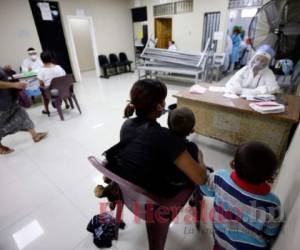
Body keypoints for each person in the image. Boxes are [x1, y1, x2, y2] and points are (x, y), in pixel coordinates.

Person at [103, 79, 207, 198]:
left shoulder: (127, 125)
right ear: (159, 106)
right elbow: (200, 179)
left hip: (131, 192)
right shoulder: (166, 137)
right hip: (157, 199)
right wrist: (200, 156)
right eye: (163, 100)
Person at [199, 142, 282, 250]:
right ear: (270, 176)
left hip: (221, 240)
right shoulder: (273, 203)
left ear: (232, 163)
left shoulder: (219, 178)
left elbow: (203, 189)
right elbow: (270, 233)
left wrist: (200, 163)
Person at [0, 67, 47, 154]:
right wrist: (13, 85)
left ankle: (35, 135)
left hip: (9, 99)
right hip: (2, 104)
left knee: (21, 113)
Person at [37, 51, 67, 115]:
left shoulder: (41, 71)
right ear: (51, 58)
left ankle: (47, 110)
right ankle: (66, 103)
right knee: (61, 85)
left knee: (43, 90)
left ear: (42, 60)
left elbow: (40, 84)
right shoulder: (59, 67)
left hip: (51, 93)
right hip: (63, 91)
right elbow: (64, 77)